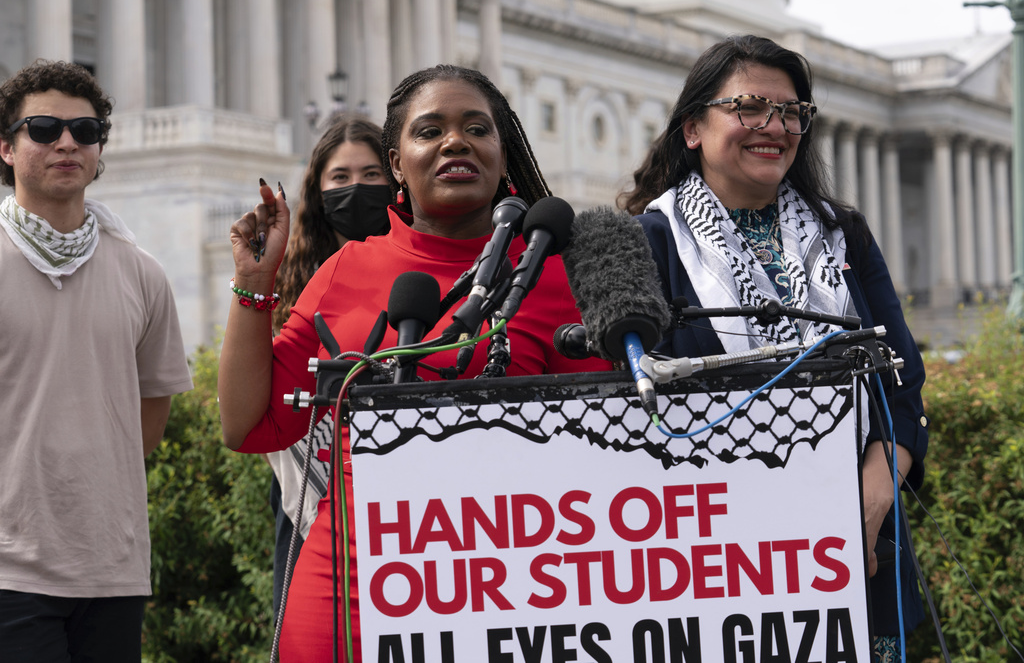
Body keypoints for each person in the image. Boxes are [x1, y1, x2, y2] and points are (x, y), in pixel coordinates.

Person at [218, 64, 611, 661]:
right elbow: (249, 425)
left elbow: (608, 454)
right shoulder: (347, 269)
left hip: (512, 596)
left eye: (477, 128)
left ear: (503, 156)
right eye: (430, 131)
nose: (456, 141)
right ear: (398, 164)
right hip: (347, 595)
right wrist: (254, 285)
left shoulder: (558, 279)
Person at [620, 35, 929, 660]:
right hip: (713, 564)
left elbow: (903, 379)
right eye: (750, 107)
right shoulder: (643, 245)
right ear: (692, 130)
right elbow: (625, 412)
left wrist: (879, 481)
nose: (775, 126)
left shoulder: (844, 235)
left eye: (791, 112)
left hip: (858, 550)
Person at [0, 60, 193, 661]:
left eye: (85, 131)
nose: (66, 142)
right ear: (5, 147)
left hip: (112, 568)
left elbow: (150, 412)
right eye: (43, 128)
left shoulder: (143, 272)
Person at [266, 114, 391, 618]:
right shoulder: (294, 285)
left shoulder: (421, 275)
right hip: (305, 500)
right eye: (340, 178)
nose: (356, 188)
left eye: (371, 174)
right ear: (319, 192)